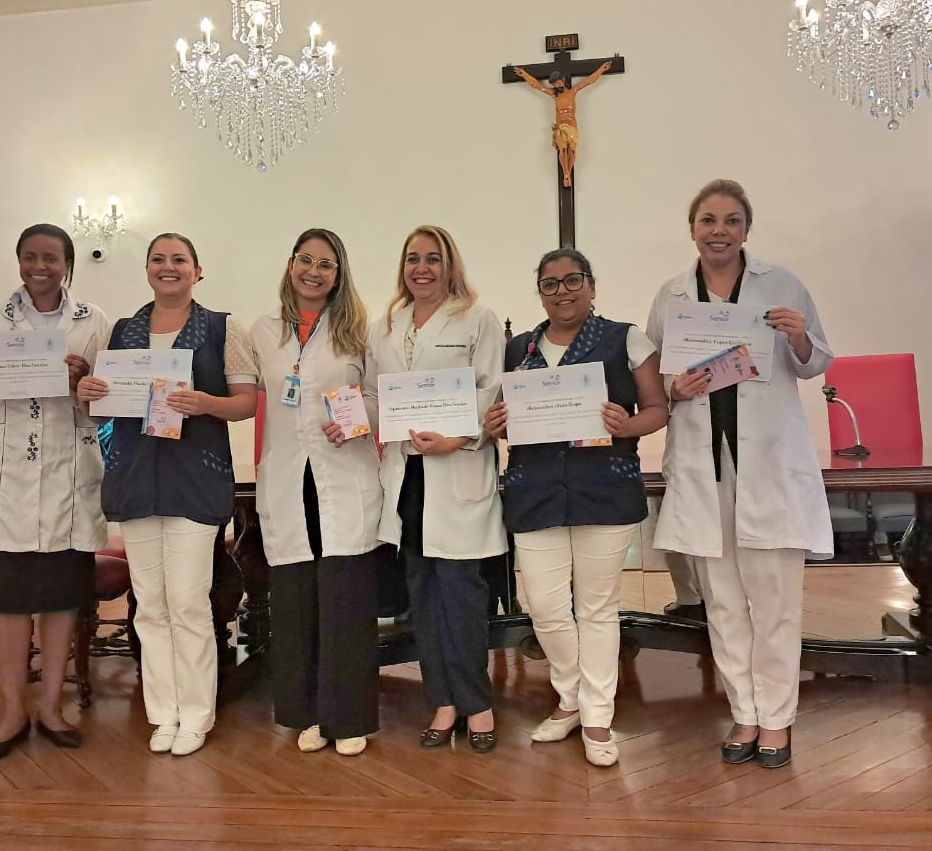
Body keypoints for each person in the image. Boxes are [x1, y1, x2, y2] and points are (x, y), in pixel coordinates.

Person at [645, 179, 833, 770]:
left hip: (768, 462)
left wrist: (798, 335)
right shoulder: (672, 295)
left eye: (731, 220)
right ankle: (744, 712)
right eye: (708, 220)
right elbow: (658, 380)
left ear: (747, 228)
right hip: (706, 465)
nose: (719, 231)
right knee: (722, 601)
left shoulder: (782, 283)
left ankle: (776, 717)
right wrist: (676, 389)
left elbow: (816, 363)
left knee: (774, 599)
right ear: (692, 229)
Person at [0, 223, 110, 765]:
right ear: (18, 262)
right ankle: (12, 712)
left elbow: (110, 399)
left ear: (68, 264)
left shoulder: (95, 321)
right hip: (8, 474)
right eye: (30, 256)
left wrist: (86, 382)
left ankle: (51, 707)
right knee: (6, 600)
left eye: (51, 257)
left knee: (60, 597)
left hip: (68, 471)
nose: (40, 266)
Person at [484, 248, 668, 767]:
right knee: (544, 607)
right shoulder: (517, 349)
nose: (562, 291)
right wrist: (495, 424)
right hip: (535, 489)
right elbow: (503, 417)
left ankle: (596, 715)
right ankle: (570, 697)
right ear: (539, 293)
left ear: (591, 285)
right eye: (550, 284)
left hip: (603, 488)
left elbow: (657, 409)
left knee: (597, 608)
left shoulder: (626, 338)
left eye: (572, 280)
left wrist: (627, 425)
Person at [76, 233, 258, 757]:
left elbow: (245, 403)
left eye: (179, 259)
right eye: (158, 259)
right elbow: (103, 408)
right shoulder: (122, 331)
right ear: (147, 270)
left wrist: (205, 403)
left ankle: (196, 714)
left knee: (188, 602)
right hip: (135, 479)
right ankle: (163, 712)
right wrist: (89, 393)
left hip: (194, 480)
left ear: (197, 271)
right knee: (150, 606)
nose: (168, 267)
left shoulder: (223, 328)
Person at [367, 224, 506, 753]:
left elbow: (490, 391)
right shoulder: (384, 326)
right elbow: (374, 395)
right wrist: (350, 416)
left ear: (450, 266)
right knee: (422, 597)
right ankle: (443, 700)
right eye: (413, 259)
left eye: (432, 258)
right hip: (407, 479)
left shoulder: (477, 319)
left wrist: (458, 439)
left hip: (457, 470)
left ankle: (477, 703)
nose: (421, 268)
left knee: (462, 596)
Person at [249, 228, 382, 757]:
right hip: (288, 479)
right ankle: (307, 713)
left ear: (338, 274)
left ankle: (346, 718)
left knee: (345, 600)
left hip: (343, 476)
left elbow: (380, 397)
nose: (314, 271)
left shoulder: (360, 330)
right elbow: (241, 393)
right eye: (306, 260)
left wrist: (356, 418)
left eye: (326, 264)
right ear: (291, 265)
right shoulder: (262, 331)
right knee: (296, 599)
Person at [512, 61, 612, 187]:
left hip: (572, 125)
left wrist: (601, 69)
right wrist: (525, 75)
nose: (556, 85)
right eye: (554, 84)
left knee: (572, 151)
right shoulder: (555, 95)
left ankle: (568, 172)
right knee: (563, 149)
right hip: (561, 126)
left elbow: (589, 81)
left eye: (557, 82)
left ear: (563, 80)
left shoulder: (573, 91)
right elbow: (537, 85)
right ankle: (566, 174)